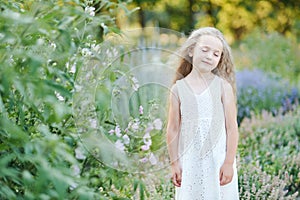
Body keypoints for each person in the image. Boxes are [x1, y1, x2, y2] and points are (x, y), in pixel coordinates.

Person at [166, 27, 239, 199]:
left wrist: (228, 163)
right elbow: (173, 129)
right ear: (191, 50)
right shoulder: (178, 89)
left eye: (216, 54)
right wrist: (174, 164)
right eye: (204, 50)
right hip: (190, 162)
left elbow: (232, 128)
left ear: (220, 59)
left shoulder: (223, 87)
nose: (209, 56)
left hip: (217, 162)